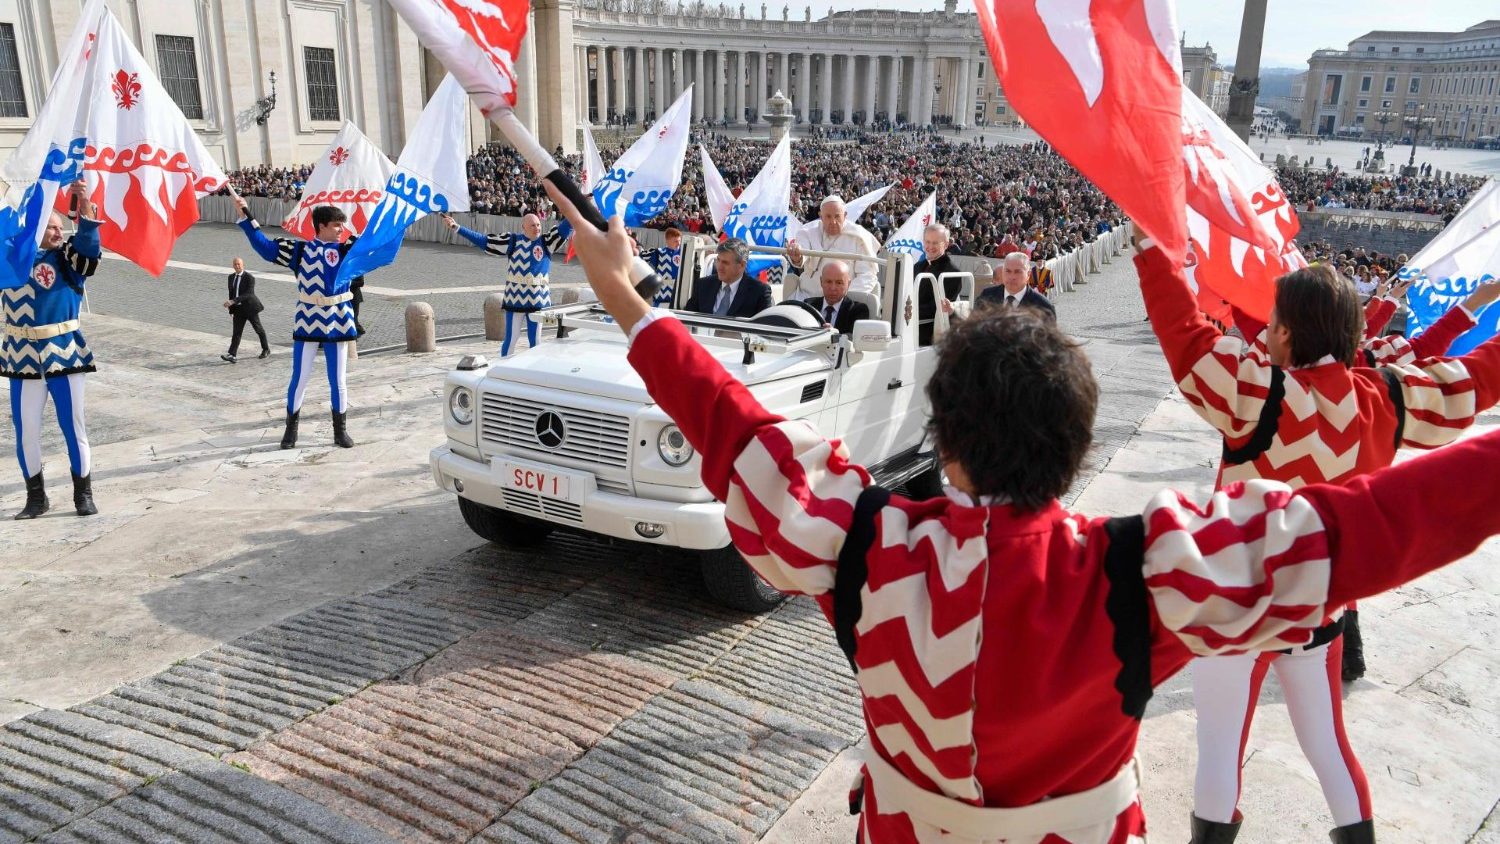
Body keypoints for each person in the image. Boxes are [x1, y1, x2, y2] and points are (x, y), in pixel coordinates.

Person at [546, 180, 1500, 844]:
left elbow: (737, 427)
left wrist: (623, 292)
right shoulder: (1149, 574)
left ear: (944, 435)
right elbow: (1390, 518)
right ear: (1077, 449)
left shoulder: (862, 549)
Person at [1136, 237, 1500, 844]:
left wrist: (1155, 249)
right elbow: (1474, 381)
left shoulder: (1257, 395)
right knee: (1329, 744)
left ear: (1282, 336)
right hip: (1320, 608)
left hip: (1240, 604)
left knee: (1220, 749)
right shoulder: (1383, 398)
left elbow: (1186, 338)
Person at [4, 181, 101, 518]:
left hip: (65, 354)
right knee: (26, 429)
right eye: (51, 226)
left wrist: (85, 204)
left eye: (61, 227)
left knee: (73, 427)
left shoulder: (69, 259)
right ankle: (36, 497)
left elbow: (88, 248)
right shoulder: (10, 257)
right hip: (22, 356)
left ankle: (83, 494)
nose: (59, 232)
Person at [235, 198, 358, 450]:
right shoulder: (300, 250)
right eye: (336, 225)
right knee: (299, 378)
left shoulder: (348, 249)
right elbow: (266, 247)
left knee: (338, 379)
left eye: (341, 226)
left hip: (338, 319)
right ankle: (290, 430)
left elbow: (377, 247)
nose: (340, 230)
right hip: (308, 319)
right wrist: (247, 217)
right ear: (321, 226)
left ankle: (340, 431)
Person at [442, 212, 568, 356]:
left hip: (538, 301)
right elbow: (484, 241)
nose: (537, 228)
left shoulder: (547, 242)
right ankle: (503, 369)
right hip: (515, 300)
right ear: (524, 228)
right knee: (511, 340)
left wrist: (578, 206)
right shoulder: (512, 241)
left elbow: (565, 228)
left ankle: (534, 371)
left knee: (536, 341)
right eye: (532, 225)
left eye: (538, 224)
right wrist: (457, 228)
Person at [785, 195, 881, 301]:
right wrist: (797, 255)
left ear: (845, 216)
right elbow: (801, 253)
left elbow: (867, 276)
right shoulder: (808, 231)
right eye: (828, 217)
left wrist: (844, 300)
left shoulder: (860, 236)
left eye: (837, 216)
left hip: (845, 301)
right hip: (808, 296)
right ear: (821, 217)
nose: (833, 222)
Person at [684, 238, 773, 317]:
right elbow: (687, 319)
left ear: (742, 265)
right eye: (718, 260)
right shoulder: (703, 285)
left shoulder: (759, 292)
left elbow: (767, 329)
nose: (719, 267)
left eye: (725, 263)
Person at [914, 223, 963, 346]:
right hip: (909, 321)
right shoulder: (918, 266)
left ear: (946, 244)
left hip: (926, 330)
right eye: (927, 242)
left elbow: (936, 309)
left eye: (935, 243)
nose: (930, 246)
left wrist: (907, 312)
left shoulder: (952, 272)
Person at [978, 252, 1056, 319]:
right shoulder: (986, 297)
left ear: (1028, 274)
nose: (1012, 277)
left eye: (1018, 272)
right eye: (1008, 271)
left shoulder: (1043, 306)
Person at [221, 257, 269, 363]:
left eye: (239, 264)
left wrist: (233, 301)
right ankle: (232, 355)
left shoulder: (249, 278)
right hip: (238, 309)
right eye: (235, 264)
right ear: (233, 266)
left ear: (243, 265)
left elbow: (249, 294)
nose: (237, 266)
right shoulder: (230, 277)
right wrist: (231, 309)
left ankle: (266, 349)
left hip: (250, 308)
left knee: (258, 329)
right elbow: (231, 293)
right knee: (236, 333)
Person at [805, 260, 869, 334]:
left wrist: (835, 335)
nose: (833, 288)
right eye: (828, 282)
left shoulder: (858, 310)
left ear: (848, 284)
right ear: (821, 282)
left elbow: (855, 339)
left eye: (839, 283)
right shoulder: (808, 306)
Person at [639, 226, 684, 307]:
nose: (679, 244)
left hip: (679, 298)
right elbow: (639, 257)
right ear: (667, 241)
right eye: (676, 241)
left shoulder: (684, 253)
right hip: (661, 298)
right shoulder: (658, 252)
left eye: (680, 241)